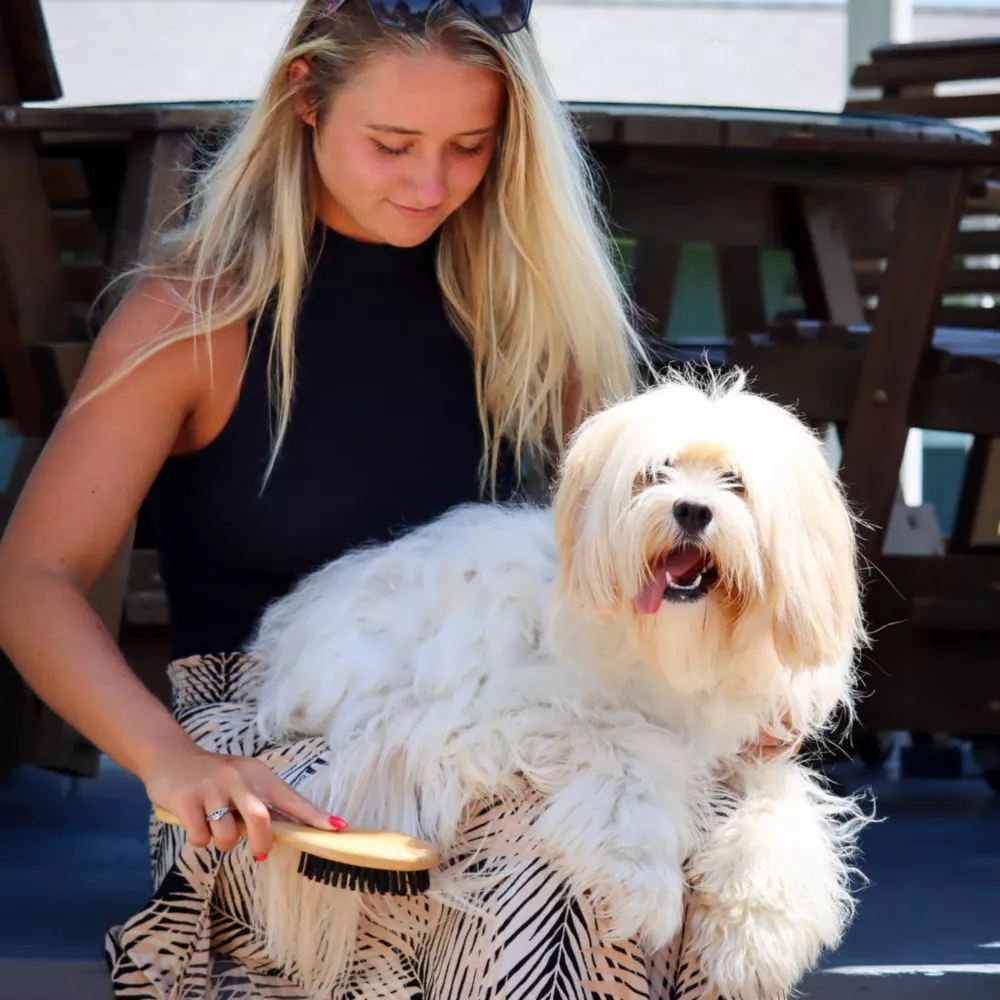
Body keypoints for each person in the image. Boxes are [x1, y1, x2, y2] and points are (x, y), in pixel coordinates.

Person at [0, 1, 798, 996]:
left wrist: (740, 683)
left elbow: (638, 563)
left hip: (523, 718)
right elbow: (33, 577)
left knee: (637, 853)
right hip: (279, 751)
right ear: (305, 98)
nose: (429, 184)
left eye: (470, 147)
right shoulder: (195, 317)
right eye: (391, 144)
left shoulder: (536, 320)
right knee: (550, 875)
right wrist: (167, 758)